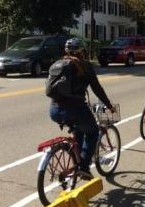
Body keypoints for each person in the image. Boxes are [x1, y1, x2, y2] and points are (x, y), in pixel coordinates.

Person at [49, 38, 115, 180]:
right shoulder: (84, 66)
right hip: (75, 109)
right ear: (81, 52)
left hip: (54, 110)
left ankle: (76, 162)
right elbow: (97, 89)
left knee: (78, 130)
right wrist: (109, 105)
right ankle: (84, 167)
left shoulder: (58, 64)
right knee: (93, 132)